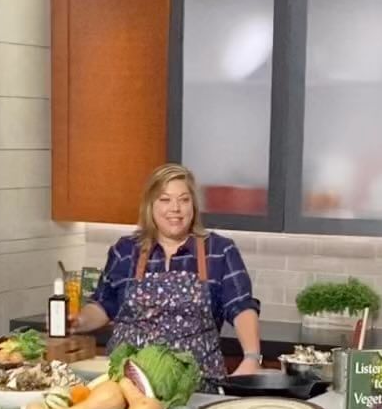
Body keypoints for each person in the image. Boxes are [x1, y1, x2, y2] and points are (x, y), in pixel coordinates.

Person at [71, 164, 263, 390]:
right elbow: (104, 305)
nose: (175, 208)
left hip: (197, 385)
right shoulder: (126, 250)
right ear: (150, 205)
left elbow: (241, 307)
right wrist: (79, 322)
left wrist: (252, 356)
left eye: (184, 200)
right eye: (165, 200)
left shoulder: (219, 251)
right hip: (127, 385)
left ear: (193, 205)